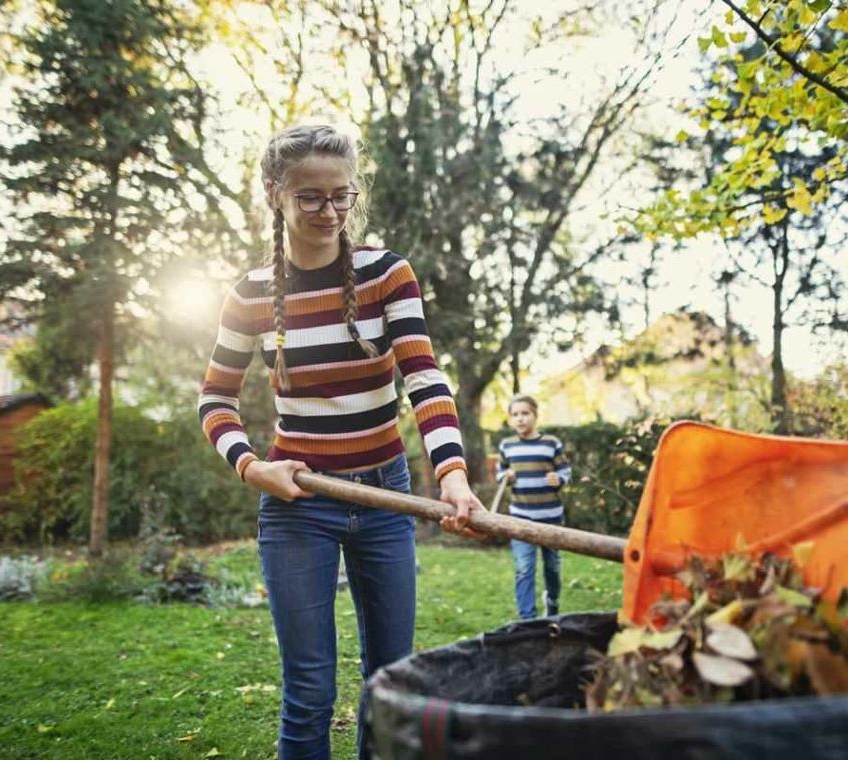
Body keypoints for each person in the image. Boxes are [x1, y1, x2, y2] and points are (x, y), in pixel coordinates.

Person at [197, 123, 483, 760]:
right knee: (308, 691)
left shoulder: (387, 274)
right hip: (299, 505)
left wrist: (453, 473)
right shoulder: (249, 294)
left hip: (386, 498)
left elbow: (423, 376)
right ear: (276, 194)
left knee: (390, 683)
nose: (329, 212)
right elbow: (214, 398)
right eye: (311, 198)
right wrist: (250, 468)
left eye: (341, 196)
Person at [495, 394, 571, 619]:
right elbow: (500, 473)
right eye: (515, 414)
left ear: (535, 416)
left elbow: (565, 470)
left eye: (525, 413)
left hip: (551, 518)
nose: (520, 419)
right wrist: (505, 476)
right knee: (524, 568)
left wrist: (559, 479)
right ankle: (527, 619)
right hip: (520, 518)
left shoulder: (551, 443)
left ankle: (552, 602)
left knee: (553, 567)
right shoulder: (507, 446)